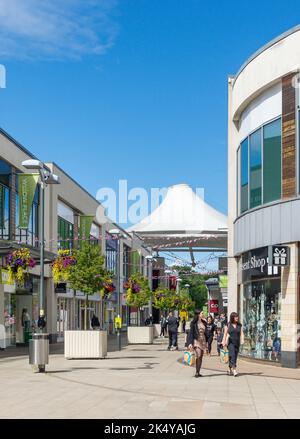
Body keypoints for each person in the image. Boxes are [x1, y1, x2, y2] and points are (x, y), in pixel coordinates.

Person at [222, 312, 244, 377]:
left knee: (234, 356)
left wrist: (242, 340)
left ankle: (229, 369)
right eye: (235, 317)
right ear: (232, 317)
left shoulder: (239, 325)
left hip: (237, 343)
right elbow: (225, 334)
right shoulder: (228, 325)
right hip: (230, 343)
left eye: (237, 316)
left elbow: (242, 333)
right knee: (233, 355)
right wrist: (223, 341)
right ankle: (234, 370)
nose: (237, 318)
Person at [187, 310, 207, 378]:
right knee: (198, 355)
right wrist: (189, 343)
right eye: (202, 313)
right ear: (198, 314)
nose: (203, 314)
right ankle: (196, 372)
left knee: (201, 356)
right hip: (196, 340)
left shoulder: (204, 322)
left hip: (203, 340)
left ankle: (198, 372)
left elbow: (206, 332)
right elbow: (191, 333)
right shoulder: (193, 323)